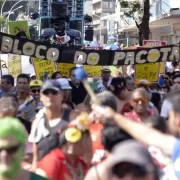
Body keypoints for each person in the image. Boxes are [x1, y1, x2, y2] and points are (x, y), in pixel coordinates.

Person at [91, 89, 180, 179]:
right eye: (136, 100)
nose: (140, 103)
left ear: (178, 120)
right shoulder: (177, 147)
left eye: (170, 115)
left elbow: (149, 136)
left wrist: (114, 117)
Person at [29, 80, 79, 170]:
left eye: (54, 92)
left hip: (68, 173)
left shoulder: (73, 117)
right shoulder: (37, 122)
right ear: (41, 96)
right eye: (46, 93)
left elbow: (86, 150)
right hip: (43, 173)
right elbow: (35, 158)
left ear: (61, 95)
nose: (50, 96)